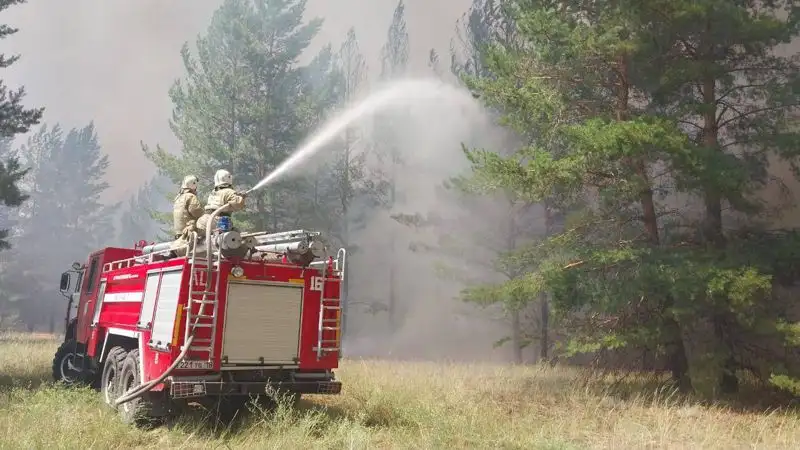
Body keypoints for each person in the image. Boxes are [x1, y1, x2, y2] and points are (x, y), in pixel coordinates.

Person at [196, 169, 247, 233]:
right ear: (228, 178)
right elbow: (239, 204)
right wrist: (242, 197)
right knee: (237, 237)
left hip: (202, 222)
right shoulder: (229, 191)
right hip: (217, 221)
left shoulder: (213, 192)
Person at [169, 175, 203, 256]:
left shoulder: (178, 198)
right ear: (193, 184)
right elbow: (196, 211)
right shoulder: (190, 196)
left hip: (179, 234)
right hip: (188, 233)